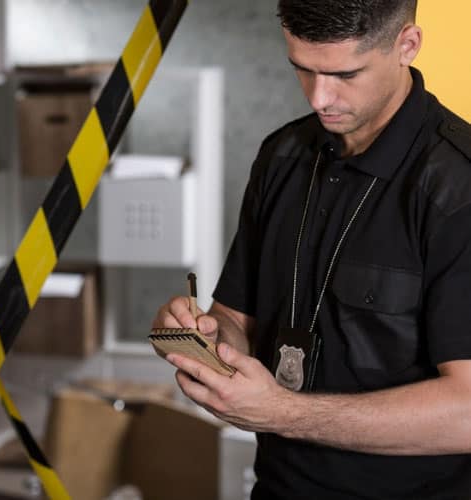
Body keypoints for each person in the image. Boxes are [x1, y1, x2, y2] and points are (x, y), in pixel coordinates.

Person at [153, 0, 471, 498]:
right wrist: (211, 343)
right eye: (303, 69)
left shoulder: (458, 189)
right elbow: (237, 318)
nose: (320, 98)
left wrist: (281, 411)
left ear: (406, 46)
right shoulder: (281, 156)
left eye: (345, 74)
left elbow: (467, 413)